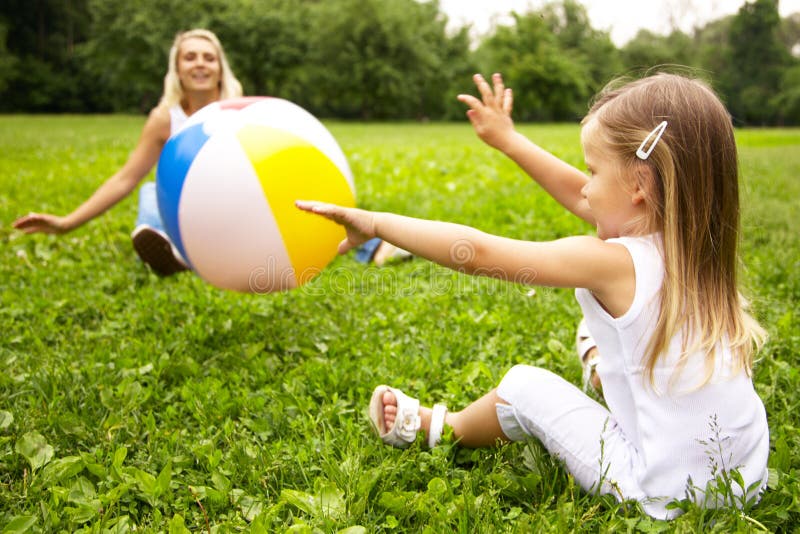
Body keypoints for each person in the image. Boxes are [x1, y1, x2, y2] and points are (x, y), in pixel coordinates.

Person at [296, 72, 769, 519]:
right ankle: (603, 372)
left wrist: (376, 224)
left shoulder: (612, 264)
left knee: (524, 384)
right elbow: (587, 199)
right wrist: (507, 139)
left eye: (592, 170)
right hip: (742, 481)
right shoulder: (699, 249)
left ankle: (443, 426)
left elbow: (477, 252)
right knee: (598, 329)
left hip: (663, 491)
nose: (584, 186)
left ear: (640, 187)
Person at [13, 29, 243, 276]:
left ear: (220, 69)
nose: (200, 64)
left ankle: (198, 250)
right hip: (185, 212)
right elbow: (126, 179)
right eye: (190, 57)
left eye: (209, 58)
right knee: (151, 192)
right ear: (177, 70)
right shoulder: (164, 119)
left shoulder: (240, 114)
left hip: (230, 207)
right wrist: (67, 223)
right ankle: (172, 251)